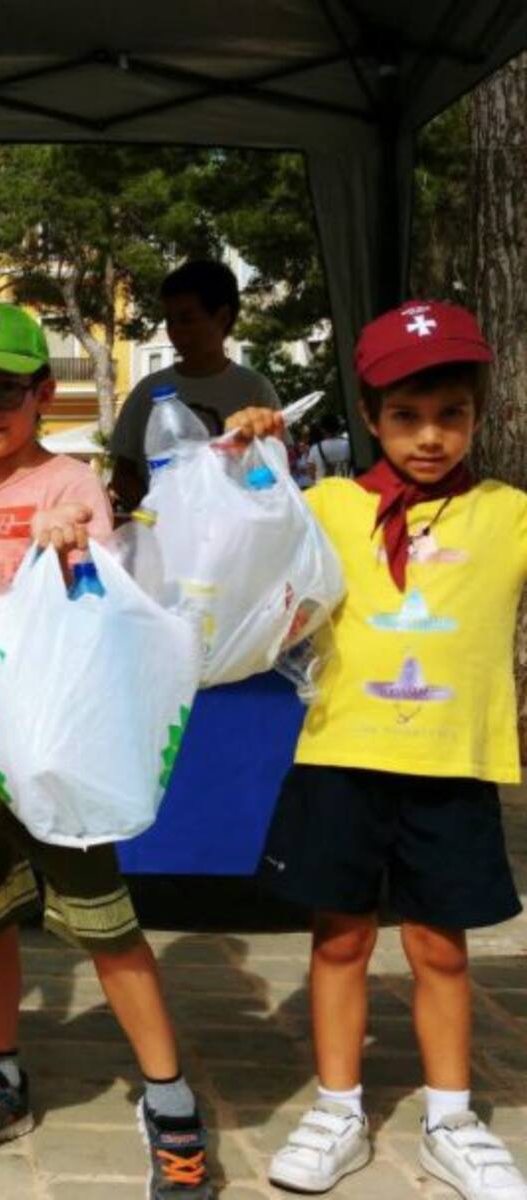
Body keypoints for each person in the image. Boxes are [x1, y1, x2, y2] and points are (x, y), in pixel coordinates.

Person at [227, 301, 527, 1200]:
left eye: (451, 415)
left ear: (480, 414)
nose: (430, 437)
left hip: (453, 766)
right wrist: (248, 450)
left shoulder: (507, 514)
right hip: (342, 759)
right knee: (340, 941)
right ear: (368, 414)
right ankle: (338, 1107)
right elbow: (225, 535)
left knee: (441, 947)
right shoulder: (321, 506)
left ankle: (449, 1117)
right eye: (405, 416)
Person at [0, 301, 213, 1198]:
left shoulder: (69, 484)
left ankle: (169, 1102)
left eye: (6, 389)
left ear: (43, 394)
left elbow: (93, 559)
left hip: (55, 748)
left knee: (107, 924)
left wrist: (65, 542)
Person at [110, 260, 279, 511]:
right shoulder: (147, 392)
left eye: (187, 319)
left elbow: (277, 468)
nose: (175, 331)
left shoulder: (255, 390)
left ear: (222, 318)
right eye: (169, 320)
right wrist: (157, 514)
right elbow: (123, 475)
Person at [307, 413, 353, 480]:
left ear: (322, 429)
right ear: (338, 427)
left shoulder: (315, 448)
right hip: (347, 487)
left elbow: (311, 474)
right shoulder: (348, 444)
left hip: (324, 489)